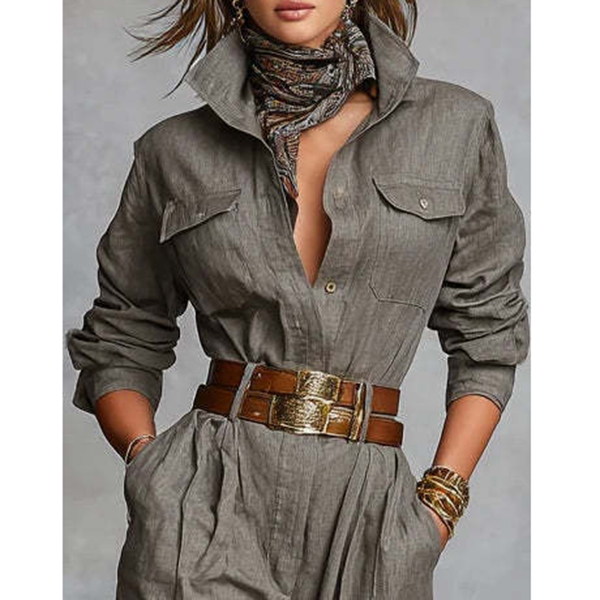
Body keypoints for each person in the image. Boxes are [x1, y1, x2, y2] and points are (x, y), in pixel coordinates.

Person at [65, 1, 530, 598]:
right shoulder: (173, 150)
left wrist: (438, 505)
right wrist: (152, 471)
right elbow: (121, 335)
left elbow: (489, 336)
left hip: (370, 516)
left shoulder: (454, 127)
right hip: (207, 502)